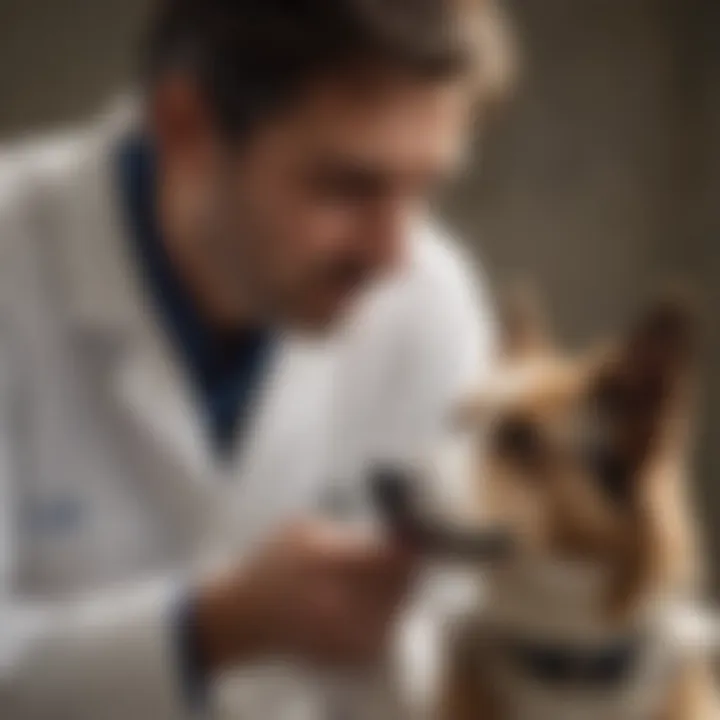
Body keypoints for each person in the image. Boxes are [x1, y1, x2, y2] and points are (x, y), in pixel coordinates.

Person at [0, 0, 511, 717]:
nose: (394, 254)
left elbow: (459, 643)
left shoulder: (431, 298)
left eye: (425, 188)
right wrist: (211, 629)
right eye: (348, 186)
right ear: (186, 127)